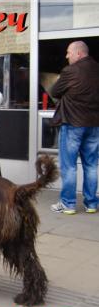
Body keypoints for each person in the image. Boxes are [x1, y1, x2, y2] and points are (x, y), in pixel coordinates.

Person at [50, 41, 99, 214]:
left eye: (68, 52)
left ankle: (68, 204)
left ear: (78, 53)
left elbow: (54, 91)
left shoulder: (70, 71)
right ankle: (92, 203)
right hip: (94, 125)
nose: (66, 56)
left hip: (73, 124)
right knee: (92, 165)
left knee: (69, 166)